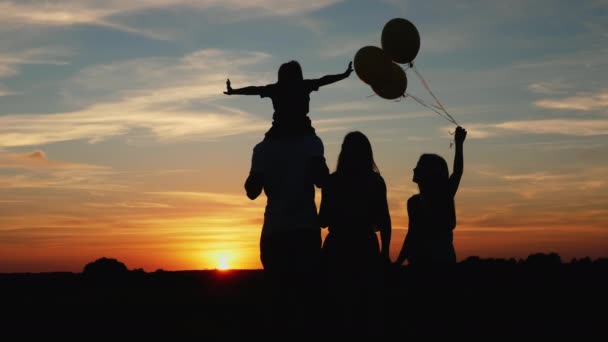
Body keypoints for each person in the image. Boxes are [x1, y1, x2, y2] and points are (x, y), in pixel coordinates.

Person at [244, 132, 329, 338]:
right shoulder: (311, 143)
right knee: (305, 301)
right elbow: (322, 179)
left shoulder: (262, 149)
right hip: (304, 230)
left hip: (277, 231)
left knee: (279, 300)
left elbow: (252, 190)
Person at [318, 131, 392, 338]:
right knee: (365, 312)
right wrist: (385, 252)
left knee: (337, 312)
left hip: (336, 248)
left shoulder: (332, 182)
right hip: (365, 247)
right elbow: (384, 221)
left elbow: (322, 219)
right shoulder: (376, 182)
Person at [224, 60, 353, 139]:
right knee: (315, 148)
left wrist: (234, 91)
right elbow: (324, 80)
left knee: (260, 152)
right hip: (300, 130)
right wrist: (344, 75)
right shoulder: (303, 85)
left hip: (281, 131)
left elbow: (255, 90)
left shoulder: (277, 88)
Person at [394, 126, 467, 267]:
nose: (414, 169)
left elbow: (411, 236)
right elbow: (411, 235)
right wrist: (459, 144)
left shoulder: (422, 201)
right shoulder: (442, 197)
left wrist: (398, 262)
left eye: (418, 166)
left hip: (428, 264)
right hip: (437, 262)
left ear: (429, 173)